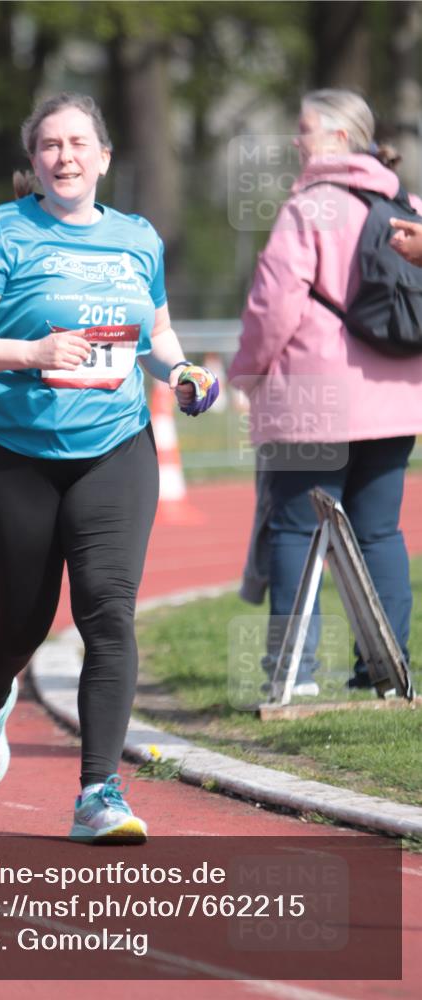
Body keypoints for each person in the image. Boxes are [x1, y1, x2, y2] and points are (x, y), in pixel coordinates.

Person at [0, 92, 218, 843]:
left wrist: (182, 372)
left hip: (116, 447)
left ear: (104, 157)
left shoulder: (136, 238)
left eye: (79, 143)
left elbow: (154, 332)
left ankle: (98, 794)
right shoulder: (2, 233)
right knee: (23, 620)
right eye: (51, 145)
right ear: (34, 161)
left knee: (107, 612)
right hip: (14, 453)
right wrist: (31, 352)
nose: (65, 156)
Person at [228, 88, 422, 694]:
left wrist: (246, 372)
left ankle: (296, 673)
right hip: (394, 398)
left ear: (339, 138)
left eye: (305, 127)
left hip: (313, 402)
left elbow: (273, 307)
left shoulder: (308, 209)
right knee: (379, 533)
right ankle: (385, 670)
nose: (296, 139)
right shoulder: (408, 204)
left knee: (296, 530)